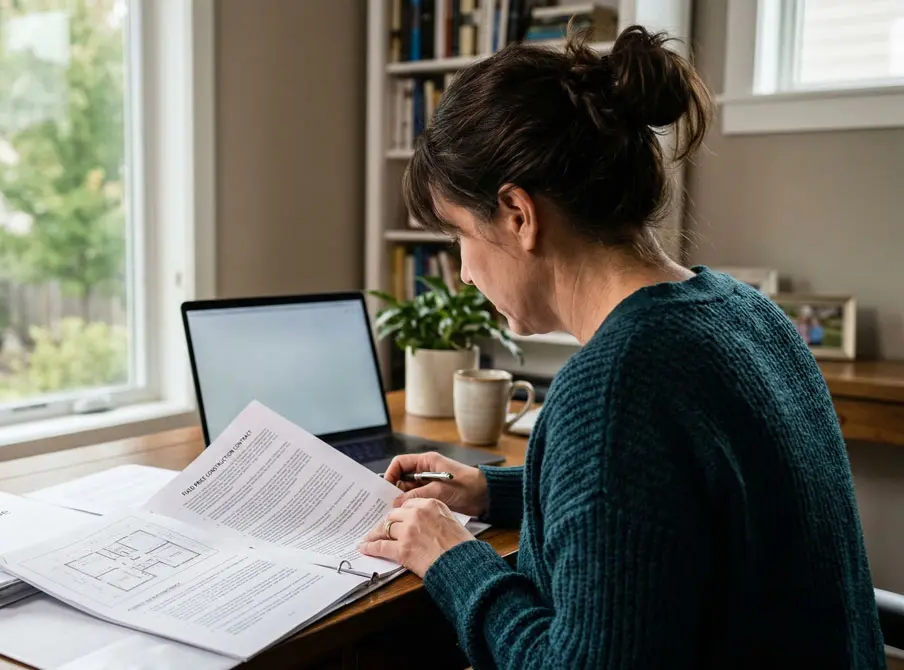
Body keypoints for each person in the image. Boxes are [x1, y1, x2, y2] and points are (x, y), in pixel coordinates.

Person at [357, 26, 884, 669]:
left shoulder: (614, 390)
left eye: (459, 237)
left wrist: (454, 561)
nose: (464, 273)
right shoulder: (748, 315)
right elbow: (666, 498)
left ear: (519, 215)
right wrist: (491, 492)